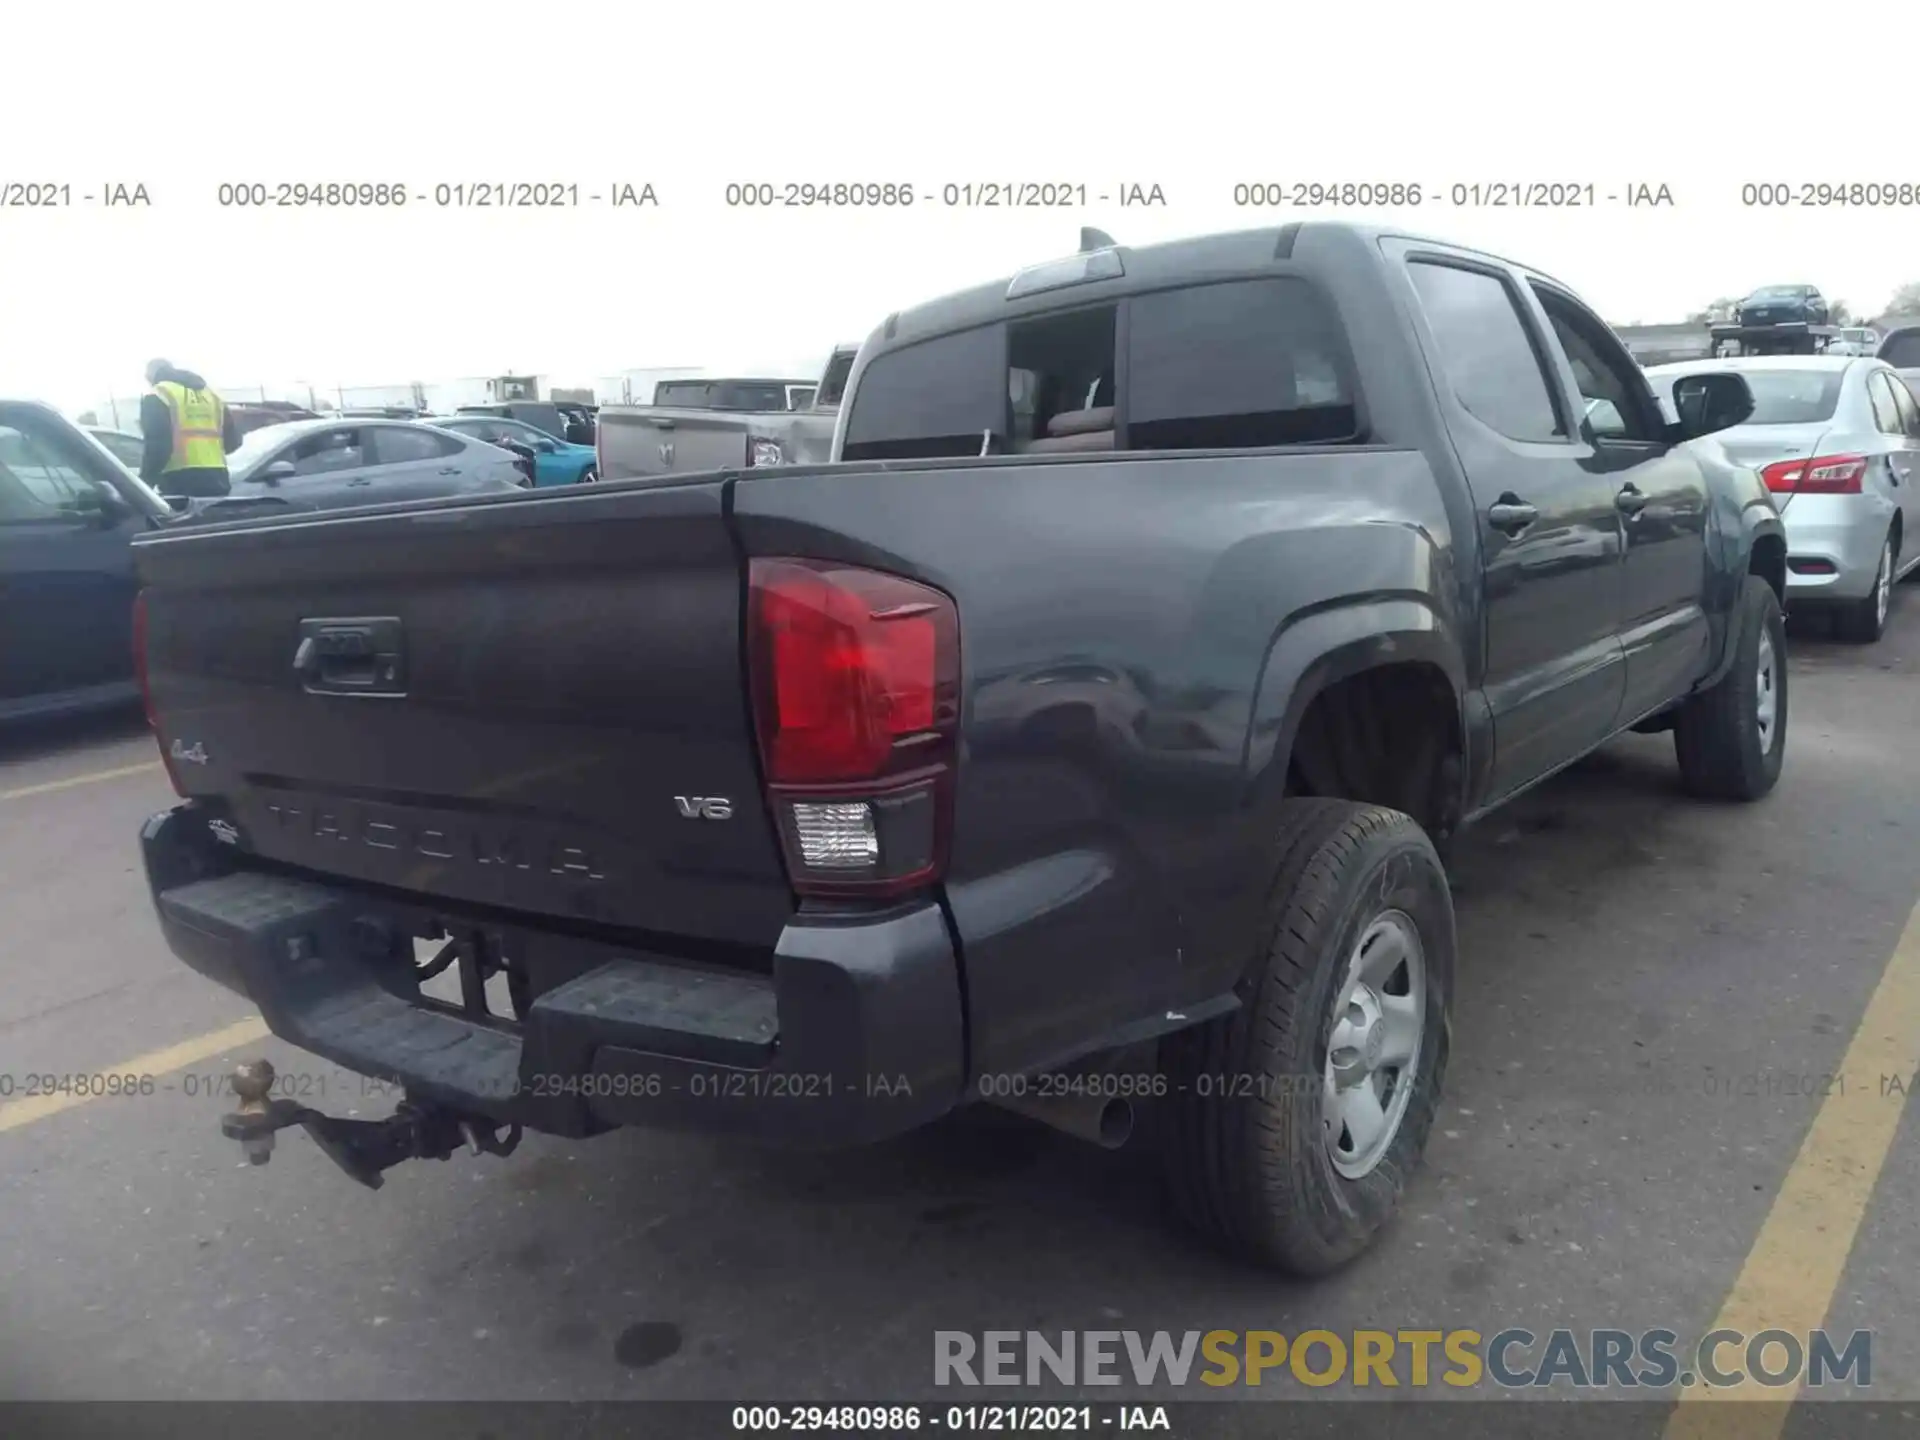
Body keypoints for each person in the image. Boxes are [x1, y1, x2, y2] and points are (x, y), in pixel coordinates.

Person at [140, 359, 240, 498]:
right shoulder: (211, 395)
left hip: (179, 482)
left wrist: (144, 484)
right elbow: (234, 442)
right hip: (218, 479)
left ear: (151, 375)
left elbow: (158, 445)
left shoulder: (158, 394)